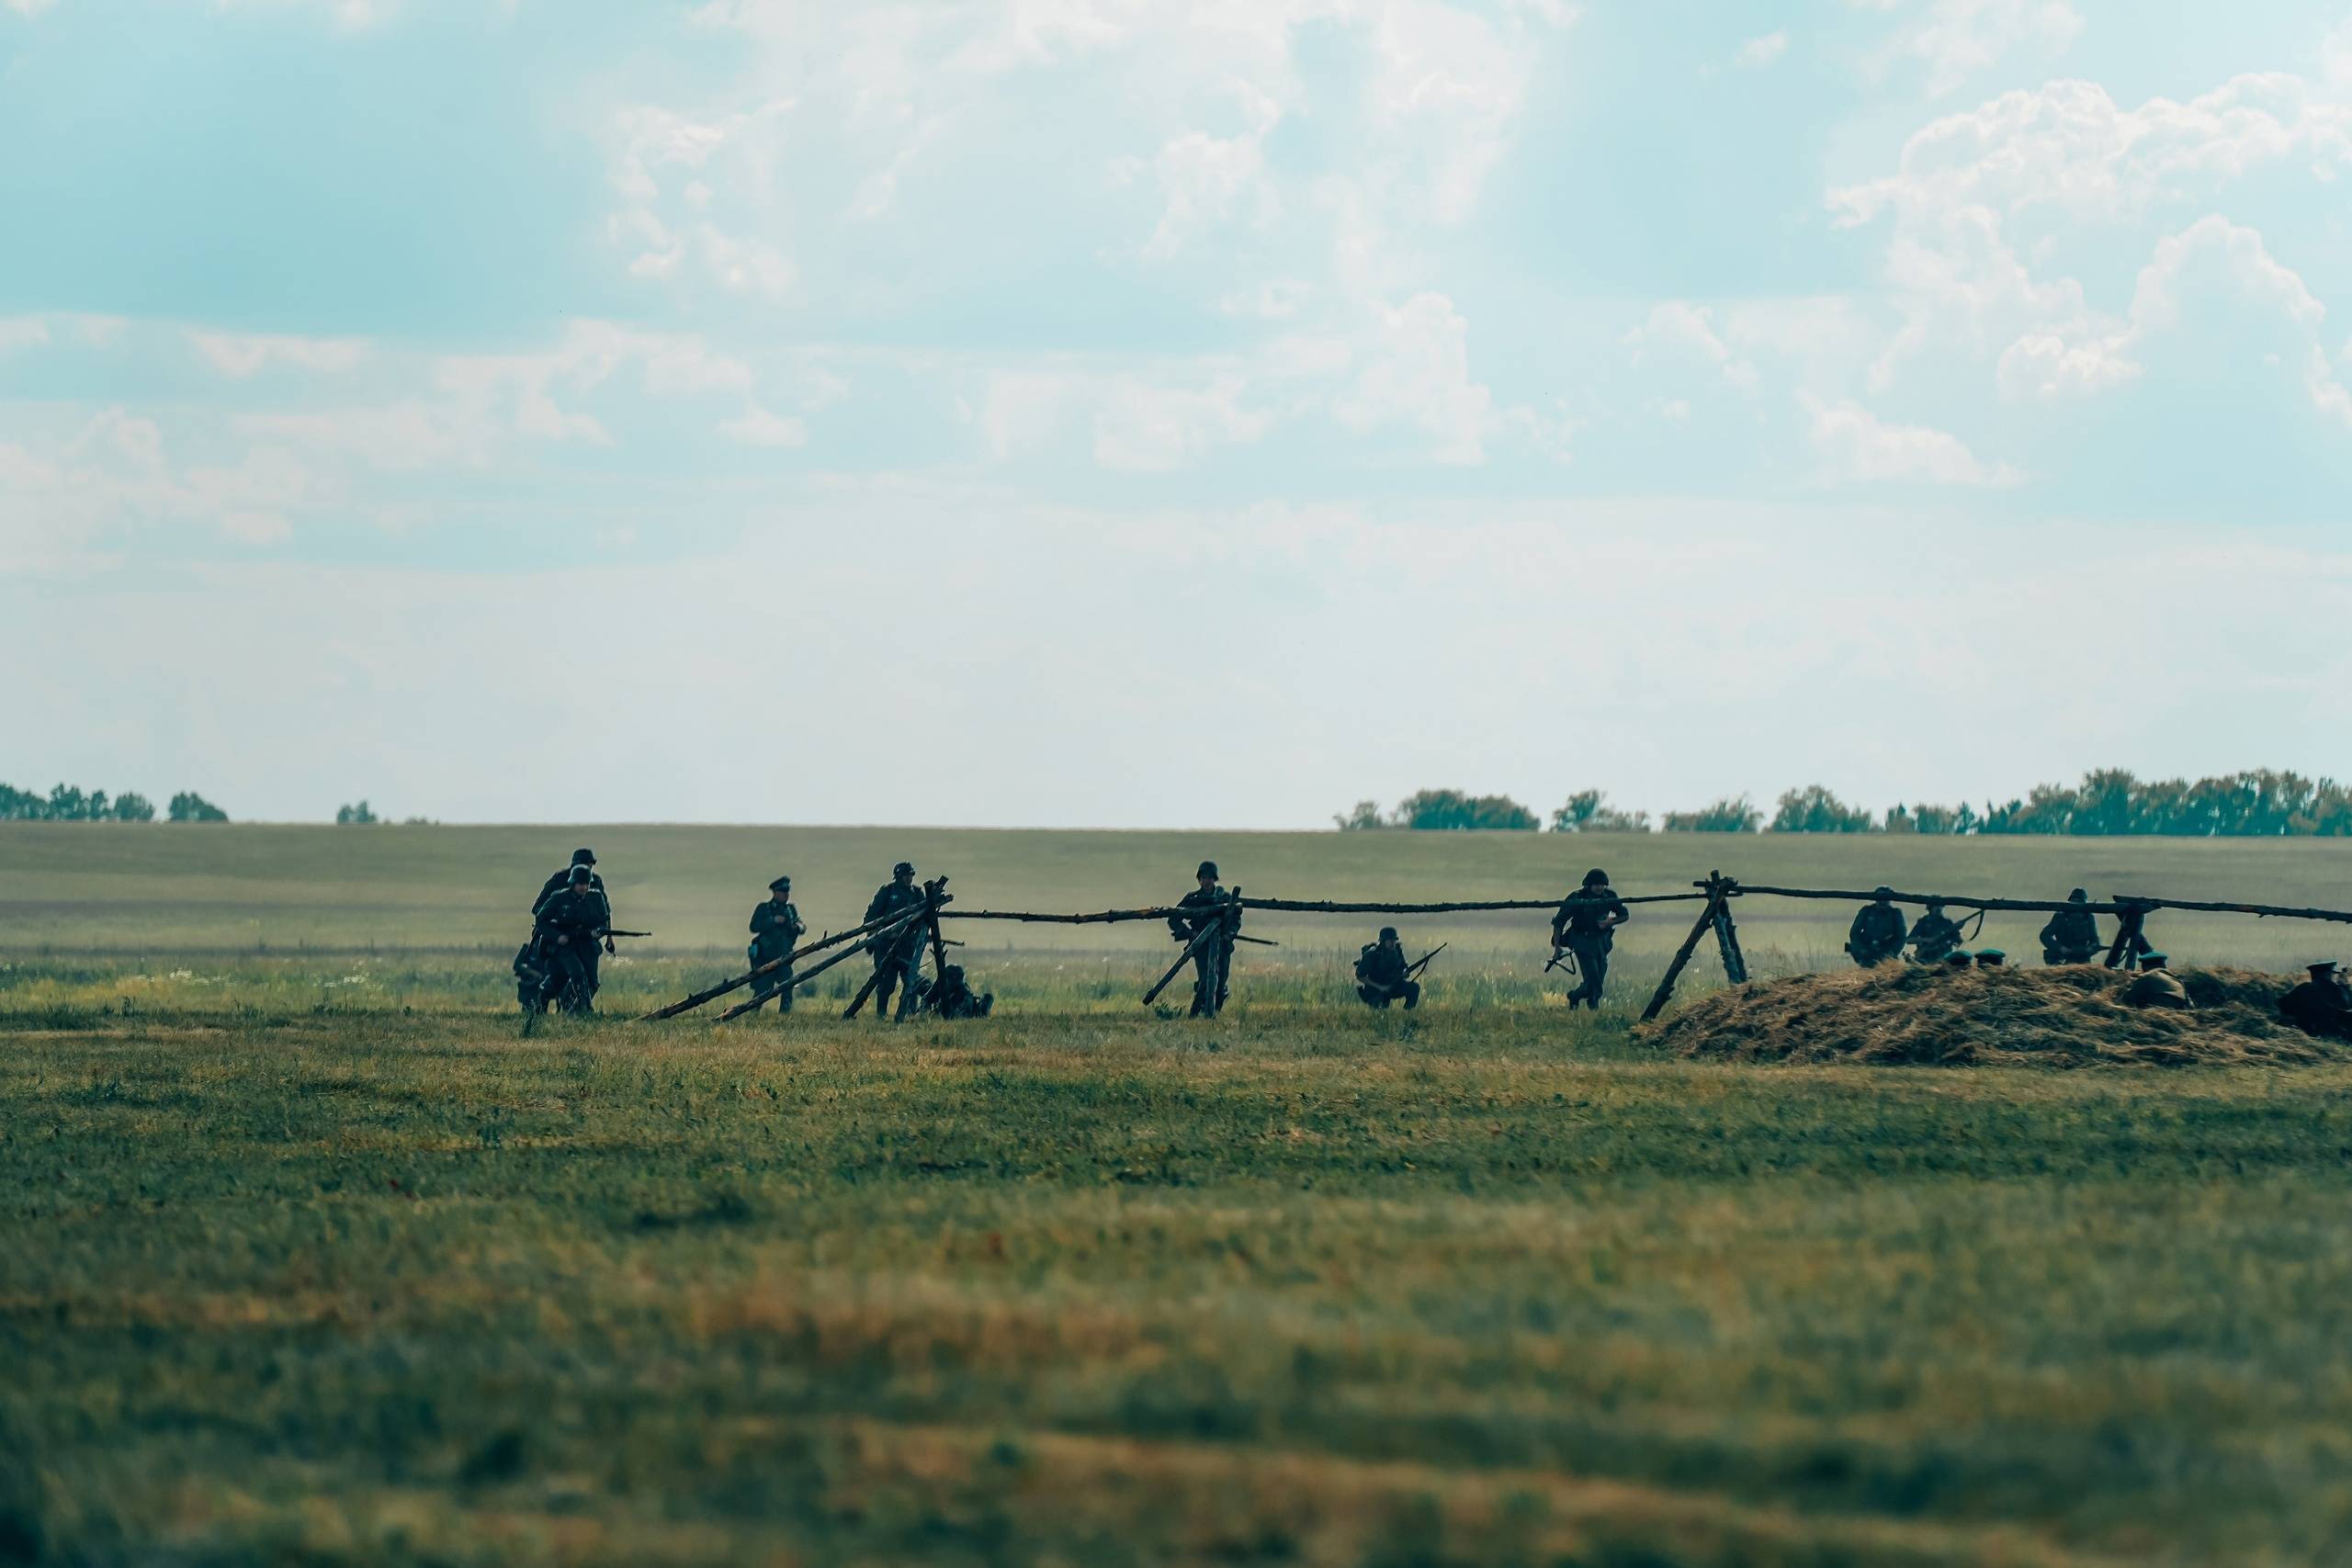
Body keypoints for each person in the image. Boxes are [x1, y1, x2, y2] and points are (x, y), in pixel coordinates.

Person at [531, 863, 612, 1015]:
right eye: (580, 884)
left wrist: (598, 932)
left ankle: (573, 1009)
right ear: (573, 883)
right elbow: (541, 920)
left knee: (591, 982)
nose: (584, 887)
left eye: (586, 884)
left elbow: (603, 920)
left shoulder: (596, 898)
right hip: (564, 945)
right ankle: (585, 1011)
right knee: (577, 974)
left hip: (587, 944)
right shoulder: (559, 898)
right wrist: (557, 936)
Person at [1168, 860, 1239, 1018]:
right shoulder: (1192, 899)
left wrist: (1229, 934)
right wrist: (1190, 933)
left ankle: (1214, 1010)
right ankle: (1197, 1012)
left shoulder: (1224, 898)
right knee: (1206, 979)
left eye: (1209, 878)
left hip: (1222, 945)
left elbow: (1236, 920)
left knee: (1221, 980)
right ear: (1199, 879)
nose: (1206, 881)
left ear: (1214, 879)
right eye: (1204, 878)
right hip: (1200, 946)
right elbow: (1173, 919)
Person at [1552, 869, 1631, 1010]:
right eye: (1596, 885)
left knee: (1597, 979)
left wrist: (1609, 922)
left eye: (1602, 885)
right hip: (1582, 942)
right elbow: (1559, 922)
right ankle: (1594, 1007)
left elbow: (1624, 915)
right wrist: (1557, 948)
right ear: (1588, 885)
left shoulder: (1609, 896)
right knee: (1594, 980)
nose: (1599, 888)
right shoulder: (1577, 898)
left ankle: (1575, 996)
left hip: (1602, 943)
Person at [862, 862, 930, 1022]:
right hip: (886, 945)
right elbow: (871, 917)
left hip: (908, 945)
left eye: (911, 875)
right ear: (898, 877)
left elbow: (925, 918)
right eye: (906, 875)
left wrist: (920, 935)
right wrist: (880, 933)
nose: (909, 878)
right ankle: (881, 1014)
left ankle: (911, 1013)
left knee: (910, 979)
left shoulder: (917, 893)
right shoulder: (887, 891)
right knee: (886, 981)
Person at [746, 875, 806, 1013]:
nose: (786, 894)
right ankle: (752, 1015)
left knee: (787, 988)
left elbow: (802, 925)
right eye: (782, 892)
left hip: (785, 957)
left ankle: (784, 1017)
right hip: (766, 959)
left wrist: (796, 927)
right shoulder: (764, 908)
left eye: (787, 892)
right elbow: (753, 927)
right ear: (775, 893)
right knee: (762, 991)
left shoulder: (791, 909)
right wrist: (772, 921)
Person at [2280, 962, 2352, 1040]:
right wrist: (2344, 985)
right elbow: (2346, 1005)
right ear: (2328, 974)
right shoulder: (2334, 989)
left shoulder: (2303, 988)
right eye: (2332, 974)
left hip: (2306, 1033)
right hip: (2332, 1034)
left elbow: (2283, 1005)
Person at [1354, 927, 1421, 1010]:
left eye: (1394, 940)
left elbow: (1403, 967)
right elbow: (1360, 976)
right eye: (1390, 940)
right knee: (1380, 1009)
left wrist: (1404, 973)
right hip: (1375, 990)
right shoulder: (1371, 954)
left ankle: (1408, 1013)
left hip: (1392, 985)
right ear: (1383, 941)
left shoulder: (1397, 951)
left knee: (1414, 988)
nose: (1393, 942)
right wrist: (1381, 987)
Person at [1846, 887, 1906, 968]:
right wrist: (1860, 948)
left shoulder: (1895, 913)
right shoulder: (1867, 911)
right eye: (1880, 899)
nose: (1882, 902)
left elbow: (1901, 936)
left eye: (1885, 899)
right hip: (1867, 949)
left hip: (1886, 950)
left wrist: (1893, 952)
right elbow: (1855, 932)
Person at [2040, 889, 2102, 965]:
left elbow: (2095, 939)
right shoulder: (2061, 916)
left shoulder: (2088, 917)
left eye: (2078, 902)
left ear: (2083, 904)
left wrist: (2090, 949)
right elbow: (2045, 935)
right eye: (2073, 901)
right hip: (2062, 958)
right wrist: (2061, 948)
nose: (2075, 904)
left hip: (2083, 959)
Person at [2120, 952, 2192, 1010]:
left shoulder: (2146, 977)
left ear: (2145, 966)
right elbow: (2190, 1005)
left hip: (2160, 1010)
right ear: (2163, 965)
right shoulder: (2175, 979)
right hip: (2179, 1011)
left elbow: (2128, 999)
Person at [1907, 900, 1966, 965]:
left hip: (1943, 956)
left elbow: (1958, 941)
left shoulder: (1947, 922)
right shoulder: (1923, 921)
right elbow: (1909, 940)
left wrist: (1958, 929)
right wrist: (1927, 940)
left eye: (1941, 906)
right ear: (1930, 908)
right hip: (1927, 956)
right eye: (1936, 906)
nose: (1939, 908)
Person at [927, 964, 995, 1019]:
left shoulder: (963, 990)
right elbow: (927, 1000)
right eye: (952, 976)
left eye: (957, 976)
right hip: (949, 1014)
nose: (955, 979)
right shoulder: (939, 985)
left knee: (988, 997)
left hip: (963, 1014)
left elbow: (966, 1007)